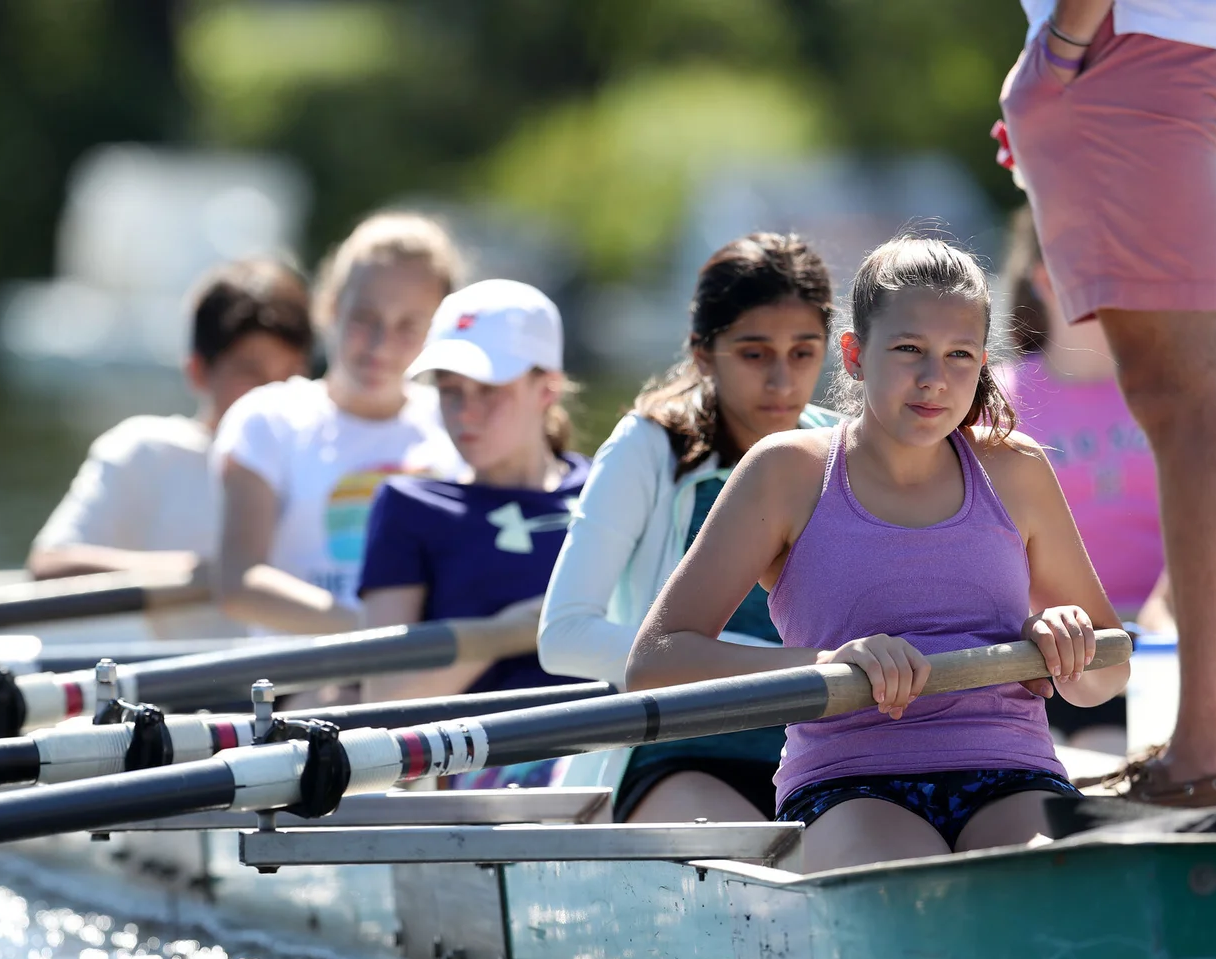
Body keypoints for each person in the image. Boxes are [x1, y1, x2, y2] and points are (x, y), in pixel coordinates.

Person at [627, 237, 1131, 871]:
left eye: (959, 355)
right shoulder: (784, 471)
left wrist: (1067, 646)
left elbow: (1109, 673)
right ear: (855, 354)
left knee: (1052, 882)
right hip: (848, 783)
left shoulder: (1018, 467)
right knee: (915, 894)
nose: (934, 379)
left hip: (1014, 770)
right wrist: (827, 666)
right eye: (908, 349)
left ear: (982, 363)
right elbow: (654, 662)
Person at [1000, 1, 1216, 805]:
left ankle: (1205, 753)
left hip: (1133, 54)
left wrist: (1058, 49)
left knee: (1185, 401)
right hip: (1180, 51)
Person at [539, 233, 839, 823]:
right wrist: (800, 667)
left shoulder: (842, 448)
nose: (782, 382)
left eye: (803, 353)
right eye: (754, 354)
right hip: (673, 750)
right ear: (703, 353)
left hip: (820, 755)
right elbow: (564, 635)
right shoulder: (645, 446)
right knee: (775, 868)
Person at [357, 280, 592, 786]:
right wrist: (511, 632)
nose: (465, 413)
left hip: (612, 748)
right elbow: (384, 703)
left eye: (489, 390)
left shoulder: (611, 489)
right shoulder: (408, 506)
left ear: (547, 389)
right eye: (450, 391)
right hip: (486, 767)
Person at [212, 212, 465, 637]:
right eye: (365, 318)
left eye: (408, 326)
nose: (381, 346)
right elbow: (239, 583)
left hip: (424, 667)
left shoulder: (459, 424)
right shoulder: (267, 420)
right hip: (302, 674)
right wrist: (382, 635)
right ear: (330, 307)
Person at [28, 260, 312, 636]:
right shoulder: (145, 453)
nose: (274, 393)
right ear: (198, 371)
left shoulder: (323, 457)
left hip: (305, 672)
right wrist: (217, 574)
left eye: (291, 373)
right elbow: (49, 567)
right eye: (250, 371)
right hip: (187, 674)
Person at [999, 207, 1164, 751]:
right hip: (1052, 656)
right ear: (1044, 279)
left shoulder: (1178, 391)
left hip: (1178, 648)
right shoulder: (994, 401)